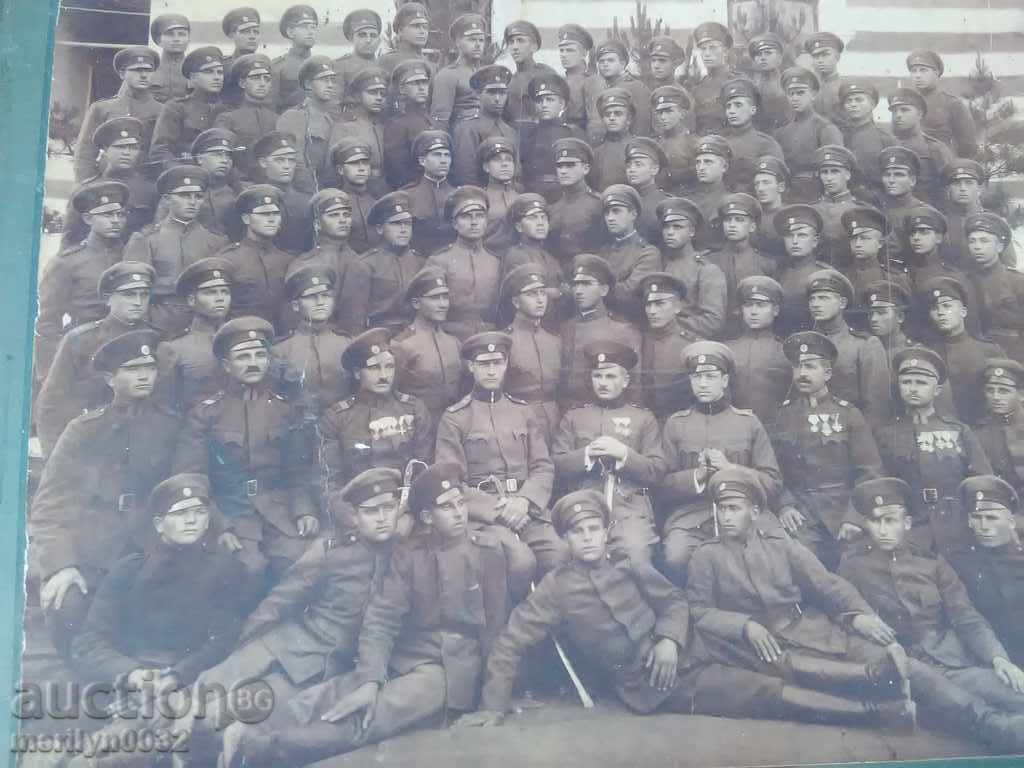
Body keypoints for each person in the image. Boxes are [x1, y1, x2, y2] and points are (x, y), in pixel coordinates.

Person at [218, 461, 518, 768]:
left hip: (449, 668)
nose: (458, 513)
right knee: (339, 690)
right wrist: (370, 680)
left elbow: (496, 630)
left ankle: (267, 749)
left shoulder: (488, 551)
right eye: (446, 507)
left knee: (372, 716)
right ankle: (250, 728)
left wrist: (494, 702)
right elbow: (382, 617)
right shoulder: (409, 552)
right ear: (426, 517)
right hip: (403, 654)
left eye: (460, 503)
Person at [183, 467, 402, 763]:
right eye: (371, 511)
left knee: (228, 716)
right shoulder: (331, 551)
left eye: (389, 508)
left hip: (315, 667)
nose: (382, 517)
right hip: (280, 642)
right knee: (190, 700)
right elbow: (280, 601)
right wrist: (241, 647)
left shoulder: (405, 555)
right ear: (355, 516)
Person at [686, 467, 917, 729]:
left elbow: (826, 583)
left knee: (872, 657)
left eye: (734, 508)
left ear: (755, 512)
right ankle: (878, 689)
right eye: (722, 508)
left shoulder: (780, 544)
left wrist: (861, 614)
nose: (726, 516)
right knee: (789, 671)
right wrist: (745, 625)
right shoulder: (705, 555)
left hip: (804, 630)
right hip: (752, 646)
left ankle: (885, 685)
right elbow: (699, 610)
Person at [839, 476, 1024, 745]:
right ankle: (1003, 729)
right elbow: (836, 606)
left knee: (1013, 690)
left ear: (907, 524)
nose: (882, 530)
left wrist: (998, 659)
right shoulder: (853, 565)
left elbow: (966, 616)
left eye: (890, 521)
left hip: (950, 660)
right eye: (875, 521)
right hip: (904, 665)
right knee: (963, 704)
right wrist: (856, 619)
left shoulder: (932, 564)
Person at [30, 329, 179, 659]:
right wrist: (62, 564)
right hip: (92, 548)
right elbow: (49, 507)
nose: (143, 376)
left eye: (149, 368)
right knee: (67, 607)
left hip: (147, 545)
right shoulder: (83, 430)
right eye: (131, 369)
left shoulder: (172, 426)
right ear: (110, 379)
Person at [173, 316, 320, 585]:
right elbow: (192, 478)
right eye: (242, 357)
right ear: (227, 366)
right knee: (247, 569)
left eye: (259, 355)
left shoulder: (285, 410)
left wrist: (304, 510)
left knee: (302, 562)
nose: (253, 362)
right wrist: (219, 526)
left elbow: (298, 471)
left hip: (279, 511)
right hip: (231, 511)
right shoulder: (206, 414)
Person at [70, 473, 245, 691]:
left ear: (208, 520)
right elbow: (90, 642)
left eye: (200, 512)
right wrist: (131, 673)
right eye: (180, 513)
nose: (191, 520)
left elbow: (223, 642)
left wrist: (178, 676)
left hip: (195, 680)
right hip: (134, 682)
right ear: (159, 524)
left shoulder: (226, 571)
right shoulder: (128, 570)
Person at [435, 331, 568, 576]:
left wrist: (524, 501)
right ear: (471, 367)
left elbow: (542, 466)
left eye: (497, 363)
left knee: (561, 553)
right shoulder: (455, 418)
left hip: (527, 510)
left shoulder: (523, 412)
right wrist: (498, 510)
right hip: (485, 517)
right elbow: (451, 481)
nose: (492, 371)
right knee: (520, 562)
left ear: (506, 364)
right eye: (484, 364)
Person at [660, 341, 785, 583]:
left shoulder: (748, 423)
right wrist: (697, 476)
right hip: (692, 514)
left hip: (746, 513)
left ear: (725, 380)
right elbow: (662, 484)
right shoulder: (676, 424)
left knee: (775, 555)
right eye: (697, 377)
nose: (703, 383)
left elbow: (773, 483)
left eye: (710, 376)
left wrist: (731, 470)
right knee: (675, 556)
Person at [772, 330, 883, 568]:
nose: (802, 373)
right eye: (798, 367)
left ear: (828, 373)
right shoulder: (783, 415)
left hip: (842, 511)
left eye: (810, 367)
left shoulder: (848, 414)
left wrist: (855, 517)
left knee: (856, 568)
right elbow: (773, 470)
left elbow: (870, 472)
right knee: (798, 564)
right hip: (800, 514)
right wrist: (785, 505)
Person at [553, 340, 665, 563]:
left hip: (629, 509)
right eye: (597, 376)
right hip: (584, 507)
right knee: (564, 556)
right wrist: (587, 454)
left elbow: (657, 470)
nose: (603, 383)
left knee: (636, 552)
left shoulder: (643, 418)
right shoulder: (574, 417)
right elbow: (556, 465)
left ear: (625, 381)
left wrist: (624, 454)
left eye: (611, 377)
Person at [874, 346, 992, 555]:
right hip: (910, 529)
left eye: (921, 383)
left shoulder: (958, 430)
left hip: (958, 528)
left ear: (937, 389)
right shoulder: (885, 433)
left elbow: (982, 480)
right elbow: (879, 481)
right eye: (906, 382)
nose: (912, 389)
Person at [35, 262, 155, 455]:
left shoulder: (156, 341)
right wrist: (55, 456)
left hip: (141, 446)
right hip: (90, 444)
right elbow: (52, 403)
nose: (138, 302)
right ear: (108, 299)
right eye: (129, 295)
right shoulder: (80, 340)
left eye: (144, 295)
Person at [34, 181, 130, 386]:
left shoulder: (132, 254)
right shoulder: (67, 262)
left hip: (128, 349)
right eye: (107, 215)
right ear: (87, 219)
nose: (116, 221)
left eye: (120, 215)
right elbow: (47, 323)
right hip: (85, 352)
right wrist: (52, 375)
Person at [319, 328, 432, 494]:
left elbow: (423, 467)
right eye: (374, 368)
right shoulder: (336, 417)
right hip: (359, 505)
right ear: (357, 373)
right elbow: (331, 480)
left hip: (405, 500)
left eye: (389, 367)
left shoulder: (414, 409)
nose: (384, 376)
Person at [124, 165, 228, 336]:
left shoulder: (216, 241)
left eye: (198, 196)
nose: (193, 202)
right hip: (160, 325)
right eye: (185, 195)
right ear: (166, 199)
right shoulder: (146, 239)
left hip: (204, 325)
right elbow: (134, 290)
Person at [949, 475, 1024, 666]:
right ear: (968, 521)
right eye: (977, 517)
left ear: (1011, 522)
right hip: (994, 658)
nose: (984, 526)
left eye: (991, 518)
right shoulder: (959, 562)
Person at [804, 269, 891, 429]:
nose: (815, 304)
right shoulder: (804, 344)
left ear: (842, 303)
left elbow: (876, 407)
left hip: (849, 433)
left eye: (823, 298)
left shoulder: (864, 345)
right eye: (812, 299)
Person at [558, 254, 642, 411]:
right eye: (576, 284)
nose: (578, 291)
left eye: (586, 284)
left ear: (604, 290)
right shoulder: (565, 328)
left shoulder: (623, 330)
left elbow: (634, 384)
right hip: (567, 414)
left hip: (607, 413)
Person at [919, 274, 1004, 425]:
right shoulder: (926, 352)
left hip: (982, 428)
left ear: (963, 312)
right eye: (934, 308)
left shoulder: (989, 350)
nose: (940, 312)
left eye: (947, 306)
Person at [270, 262, 352, 417]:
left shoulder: (347, 343)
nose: (320, 302)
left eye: (326, 296)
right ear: (295, 305)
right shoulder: (281, 349)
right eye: (311, 297)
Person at [63, 117, 157, 249]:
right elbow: (69, 240)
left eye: (133, 148)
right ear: (105, 150)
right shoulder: (85, 189)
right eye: (119, 147)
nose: (126, 153)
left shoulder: (151, 190)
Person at [155, 257, 233, 415]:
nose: (220, 298)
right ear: (191, 300)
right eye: (210, 292)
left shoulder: (241, 340)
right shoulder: (174, 348)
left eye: (224, 292)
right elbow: (165, 406)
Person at [73, 46, 162, 183]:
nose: (144, 75)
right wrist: (87, 182)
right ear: (122, 74)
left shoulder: (162, 111)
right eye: (137, 70)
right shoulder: (102, 108)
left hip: (144, 183)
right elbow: (85, 152)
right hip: (106, 180)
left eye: (149, 70)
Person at [342, 190, 425, 334]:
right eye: (396, 224)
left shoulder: (420, 262)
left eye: (407, 223)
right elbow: (353, 320)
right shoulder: (365, 265)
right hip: (380, 338)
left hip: (416, 337)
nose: (403, 229)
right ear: (380, 228)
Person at [391, 266, 464, 428]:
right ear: (416, 303)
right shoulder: (402, 344)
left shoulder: (454, 343)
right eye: (435, 298)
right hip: (416, 426)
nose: (443, 304)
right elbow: (391, 398)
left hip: (452, 426)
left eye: (445, 297)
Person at [426, 186, 502, 340]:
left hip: (490, 336)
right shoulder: (439, 261)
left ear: (486, 221)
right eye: (466, 216)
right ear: (454, 223)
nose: (474, 222)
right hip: (450, 337)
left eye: (480, 216)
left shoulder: (496, 261)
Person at [217, 185, 293, 331]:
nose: (271, 219)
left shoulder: (288, 261)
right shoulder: (228, 259)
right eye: (264, 214)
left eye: (275, 214)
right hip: (242, 337)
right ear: (246, 218)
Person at [501, 264, 561, 438]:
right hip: (518, 424)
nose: (540, 299)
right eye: (531, 294)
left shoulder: (554, 341)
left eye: (543, 293)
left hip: (554, 421)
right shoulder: (504, 341)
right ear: (516, 302)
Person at [726, 276, 792, 426]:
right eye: (748, 305)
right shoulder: (727, 349)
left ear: (775, 310)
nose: (753, 312)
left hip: (776, 430)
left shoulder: (786, 351)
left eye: (761, 305)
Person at [657, 197, 727, 340]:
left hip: (688, 341)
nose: (670, 232)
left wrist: (670, 322)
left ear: (692, 231)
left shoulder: (706, 270)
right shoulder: (657, 264)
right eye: (666, 226)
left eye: (677, 227)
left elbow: (713, 322)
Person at [149, 46, 227, 172]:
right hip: (185, 178)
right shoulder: (176, 108)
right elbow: (160, 151)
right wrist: (182, 174)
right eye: (209, 72)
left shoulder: (227, 110)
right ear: (193, 77)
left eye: (220, 72)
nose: (217, 77)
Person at [711, 192, 777, 338]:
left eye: (739, 220)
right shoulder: (709, 261)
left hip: (754, 335)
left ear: (752, 226)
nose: (732, 225)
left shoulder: (767, 264)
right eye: (728, 220)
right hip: (718, 334)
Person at [295, 189, 360, 333]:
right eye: (334, 215)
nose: (342, 220)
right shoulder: (307, 263)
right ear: (317, 223)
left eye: (346, 214)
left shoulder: (361, 260)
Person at [962, 212, 1024, 363]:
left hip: (1013, 357)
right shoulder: (962, 280)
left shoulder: (1017, 282)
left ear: (1000, 246)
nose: (977, 247)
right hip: (975, 356)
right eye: (972, 241)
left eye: (984, 241)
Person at [774, 67, 843, 203]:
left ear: (813, 94)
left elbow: (835, 169)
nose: (795, 98)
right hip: (789, 193)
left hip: (816, 192)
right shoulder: (782, 132)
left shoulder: (824, 128)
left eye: (800, 93)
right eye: (791, 93)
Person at [638, 272, 698, 422]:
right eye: (648, 304)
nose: (652, 311)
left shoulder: (691, 346)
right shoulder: (637, 341)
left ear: (677, 307)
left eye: (659, 304)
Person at [598, 184, 662, 322]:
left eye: (616, 211)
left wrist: (594, 289)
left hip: (629, 324)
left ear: (633, 214)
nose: (610, 218)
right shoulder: (603, 251)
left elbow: (628, 294)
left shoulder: (647, 253)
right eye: (607, 213)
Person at [276, 56, 340, 194]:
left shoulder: (332, 118)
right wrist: (314, 192)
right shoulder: (295, 116)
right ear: (308, 84)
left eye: (332, 80)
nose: (330, 85)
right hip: (305, 191)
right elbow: (296, 161)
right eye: (323, 80)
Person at [450, 64, 518, 188]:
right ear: (478, 94)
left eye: (502, 93)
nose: (498, 98)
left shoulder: (510, 131)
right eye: (491, 93)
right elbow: (466, 175)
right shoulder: (467, 128)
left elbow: (517, 173)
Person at [215, 54, 279, 181]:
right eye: (256, 78)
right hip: (240, 184)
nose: (262, 83)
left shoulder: (277, 118)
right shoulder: (228, 119)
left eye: (267, 79)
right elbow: (220, 156)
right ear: (242, 83)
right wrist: (239, 183)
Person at [888, 88, 954, 210]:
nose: (898, 115)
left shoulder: (935, 148)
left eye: (904, 110)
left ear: (919, 114)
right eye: (894, 111)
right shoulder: (888, 145)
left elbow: (948, 189)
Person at [520, 74, 582, 202]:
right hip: (534, 194)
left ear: (562, 104)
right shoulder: (528, 134)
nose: (544, 105)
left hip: (564, 195)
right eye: (539, 101)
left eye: (549, 100)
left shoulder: (573, 133)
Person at [503, 194, 564, 323]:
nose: (540, 223)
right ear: (519, 227)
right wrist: (558, 293)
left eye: (543, 218)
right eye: (533, 218)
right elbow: (527, 293)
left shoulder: (550, 258)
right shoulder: (516, 256)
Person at [906, 50, 978, 159]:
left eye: (923, 70)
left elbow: (968, 147)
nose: (918, 76)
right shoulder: (906, 104)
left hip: (941, 167)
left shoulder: (953, 104)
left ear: (937, 72)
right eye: (914, 71)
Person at [252, 131, 313, 255]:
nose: (287, 166)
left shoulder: (306, 200)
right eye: (280, 160)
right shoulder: (253, 199)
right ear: (263, 162)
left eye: (291, 160)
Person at [332, 67, 390, 197]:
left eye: (382, 94)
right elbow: (333, 171)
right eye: (373, 92)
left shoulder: (384, 125)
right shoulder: (345, 127)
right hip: (356, 193)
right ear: (357, 95)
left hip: (384, 190)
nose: (379, 98)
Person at [547, 138, 607, 263]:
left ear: (586, 169)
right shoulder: (552, 207)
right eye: (559, 166)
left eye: (570, 165)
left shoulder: (598, 203)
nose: (563, 171)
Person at [720, 77, 784, 193]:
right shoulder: (721, 143)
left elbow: (776, 180)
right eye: (728, 106)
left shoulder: (766, 144)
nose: (731, 111)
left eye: (738, 105)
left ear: (753, 110)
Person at [383, 59, 440, 190]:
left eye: (424, 82)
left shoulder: (430, 120)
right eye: (415, 83)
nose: (421, 88)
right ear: (402, 89)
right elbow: (398, 171)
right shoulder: (397, 125)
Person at [976, 359, 1024, 498]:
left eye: (1004, 391)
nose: (996, 397)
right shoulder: (978, 431)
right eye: (990, 390)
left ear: (1021, 395)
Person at [403, 130, 456, 256]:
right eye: (437, 155)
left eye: (447, 155)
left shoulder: (458, 195)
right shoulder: (407, 195)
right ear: (422, 161)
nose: (443, 161)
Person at [430, 13, 486, 129]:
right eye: (471, 40)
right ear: (458, 42)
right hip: (461, 138)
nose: (477, 45)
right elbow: (440, 121)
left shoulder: (487, 74)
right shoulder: (447, 75)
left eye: (481, 40)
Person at [840, 80, 894, 196]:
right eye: (849, 101)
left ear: (872, 104)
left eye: (859, 100)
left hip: (875, 198)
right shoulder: (838, 135)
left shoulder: (885, 138)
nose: (853, 104)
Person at [811, 145, 862, 266]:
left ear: (847, 175)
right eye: (824, 172)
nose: (829, 178)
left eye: (835, 171)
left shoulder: (861, 210)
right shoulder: (812, 210)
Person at [877, 147, 928, 266]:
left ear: (912, 180)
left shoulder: (923, 212)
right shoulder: (876, 210)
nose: (891, 180)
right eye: (887, 175)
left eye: (899, 175)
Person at [190, 128, 245, 236]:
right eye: (217, 154)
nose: (224, 160)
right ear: (200, 158)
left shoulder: (239, 192)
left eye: (228, 155)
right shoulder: (183, 192)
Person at [331, 137, 381, 254]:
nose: (361, 168)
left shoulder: (378, 200)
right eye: (354, 163)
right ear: (340, 170)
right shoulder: (333, 203)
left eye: (365, 163)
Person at [503, 20, 556, 128]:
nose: (515, 47)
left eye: (520, 41)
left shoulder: (546, 75)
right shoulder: (508, 81)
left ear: (534, 47)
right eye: (511, 42)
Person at [593, 39, 651, 137]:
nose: (605, 64)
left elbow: (642, 124)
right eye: (601, 61)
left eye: (610, 60)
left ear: (623, 64)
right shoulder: (603, 87)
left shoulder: (636, 87)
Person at [688, 21, 737, 135]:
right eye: (703, 49)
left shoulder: (736, 82)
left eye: (713, 48)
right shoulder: (698, 87)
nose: (707, 53)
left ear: (725, 51)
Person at [270, 5, 320, 114]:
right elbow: (271, 107)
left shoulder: (322, 66)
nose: (310, 31)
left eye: (313, 27)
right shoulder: (278, 67)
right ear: (290, 32)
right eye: (304, 27)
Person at [841, 205, 895, 305]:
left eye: (865, 238)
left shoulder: (894, 278)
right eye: (853, 239)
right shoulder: (842, 278)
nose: (857, 244)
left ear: (880, 243)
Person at [477, 136, 521, 256]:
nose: (504, 164)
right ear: (486, 167)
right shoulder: (479, 199)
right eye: (497, 160)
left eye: (509, 160)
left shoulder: (520, 198)